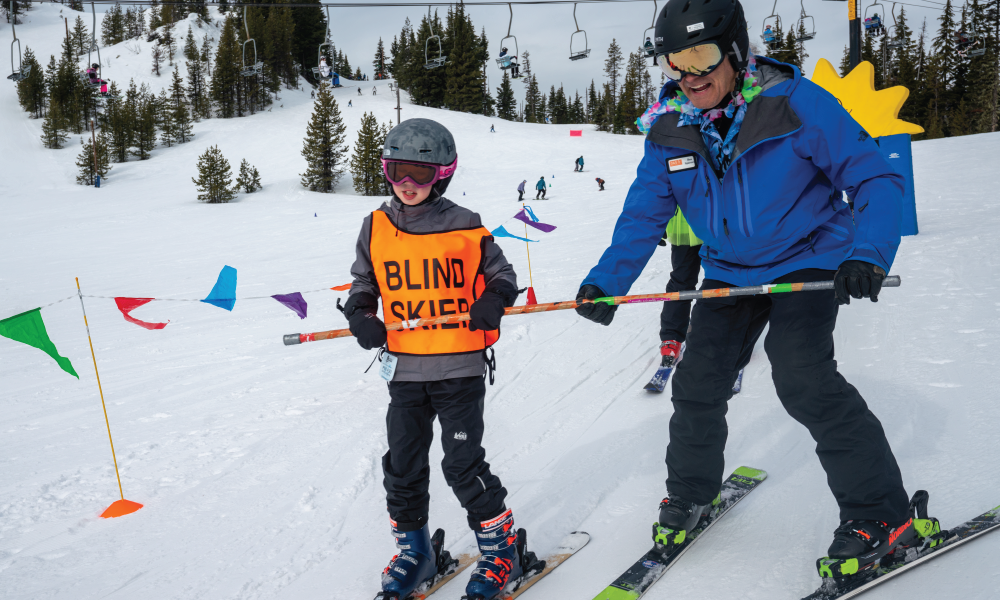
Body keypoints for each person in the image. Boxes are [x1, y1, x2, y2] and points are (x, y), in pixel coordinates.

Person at [576, 0, 934, 586]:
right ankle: (690, 494)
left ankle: (882, 516)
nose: (689, 75)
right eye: (675, 60)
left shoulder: (795, 105)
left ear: (736, 51)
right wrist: (606, 284)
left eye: (701, 56)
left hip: (808, 260)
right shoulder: (670, 129)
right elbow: (643, 214)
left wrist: (866, 253)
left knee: (803, 378)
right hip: (728, 271)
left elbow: (874, 176)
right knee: (697, 383)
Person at [344, 118, 534, 600]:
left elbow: (502, 273)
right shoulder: (376, 226)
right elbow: (363, 282)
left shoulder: (466, 224)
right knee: (403, 464)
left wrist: (495, 297)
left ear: (443, 174)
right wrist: (361, 312)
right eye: (397, 172)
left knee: (461, 462)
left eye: (420, 174)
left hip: (458, 367)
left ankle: (501, 549)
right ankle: (415, 550)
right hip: (405, 370)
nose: (407, 184)